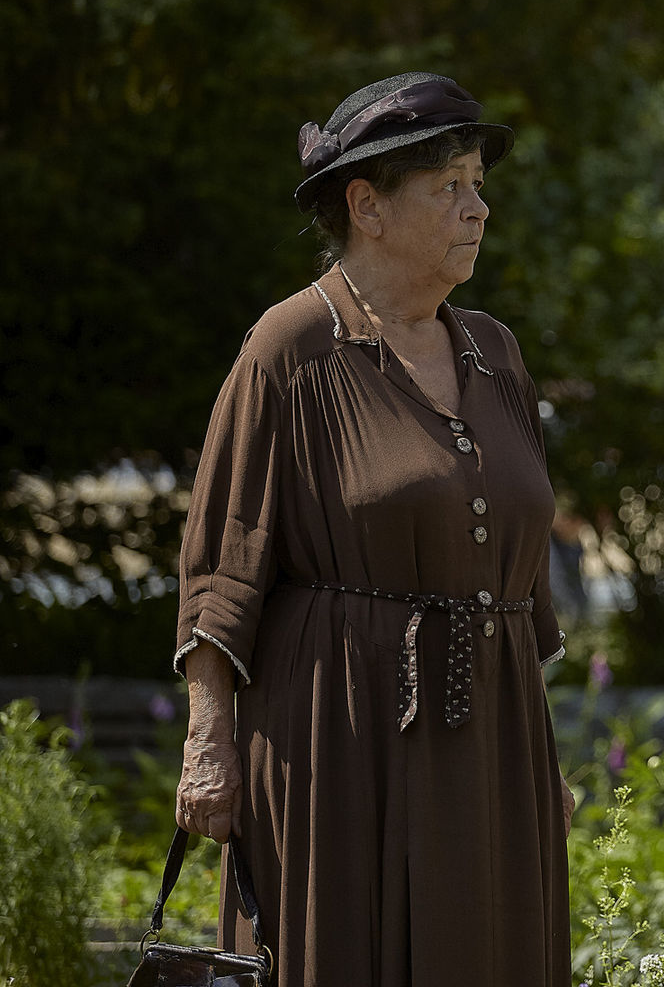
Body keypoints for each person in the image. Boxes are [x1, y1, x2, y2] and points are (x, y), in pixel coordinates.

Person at [173, 71, 574, 987]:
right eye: (450, 185)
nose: (479, 207)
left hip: (490, 736)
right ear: (368, 205)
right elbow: (223, 566)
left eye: (478, 182)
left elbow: (519, 574)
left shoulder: (496, 351)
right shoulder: (290, 347)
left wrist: (538, 752)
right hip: (338, 735)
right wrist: (209, 746)